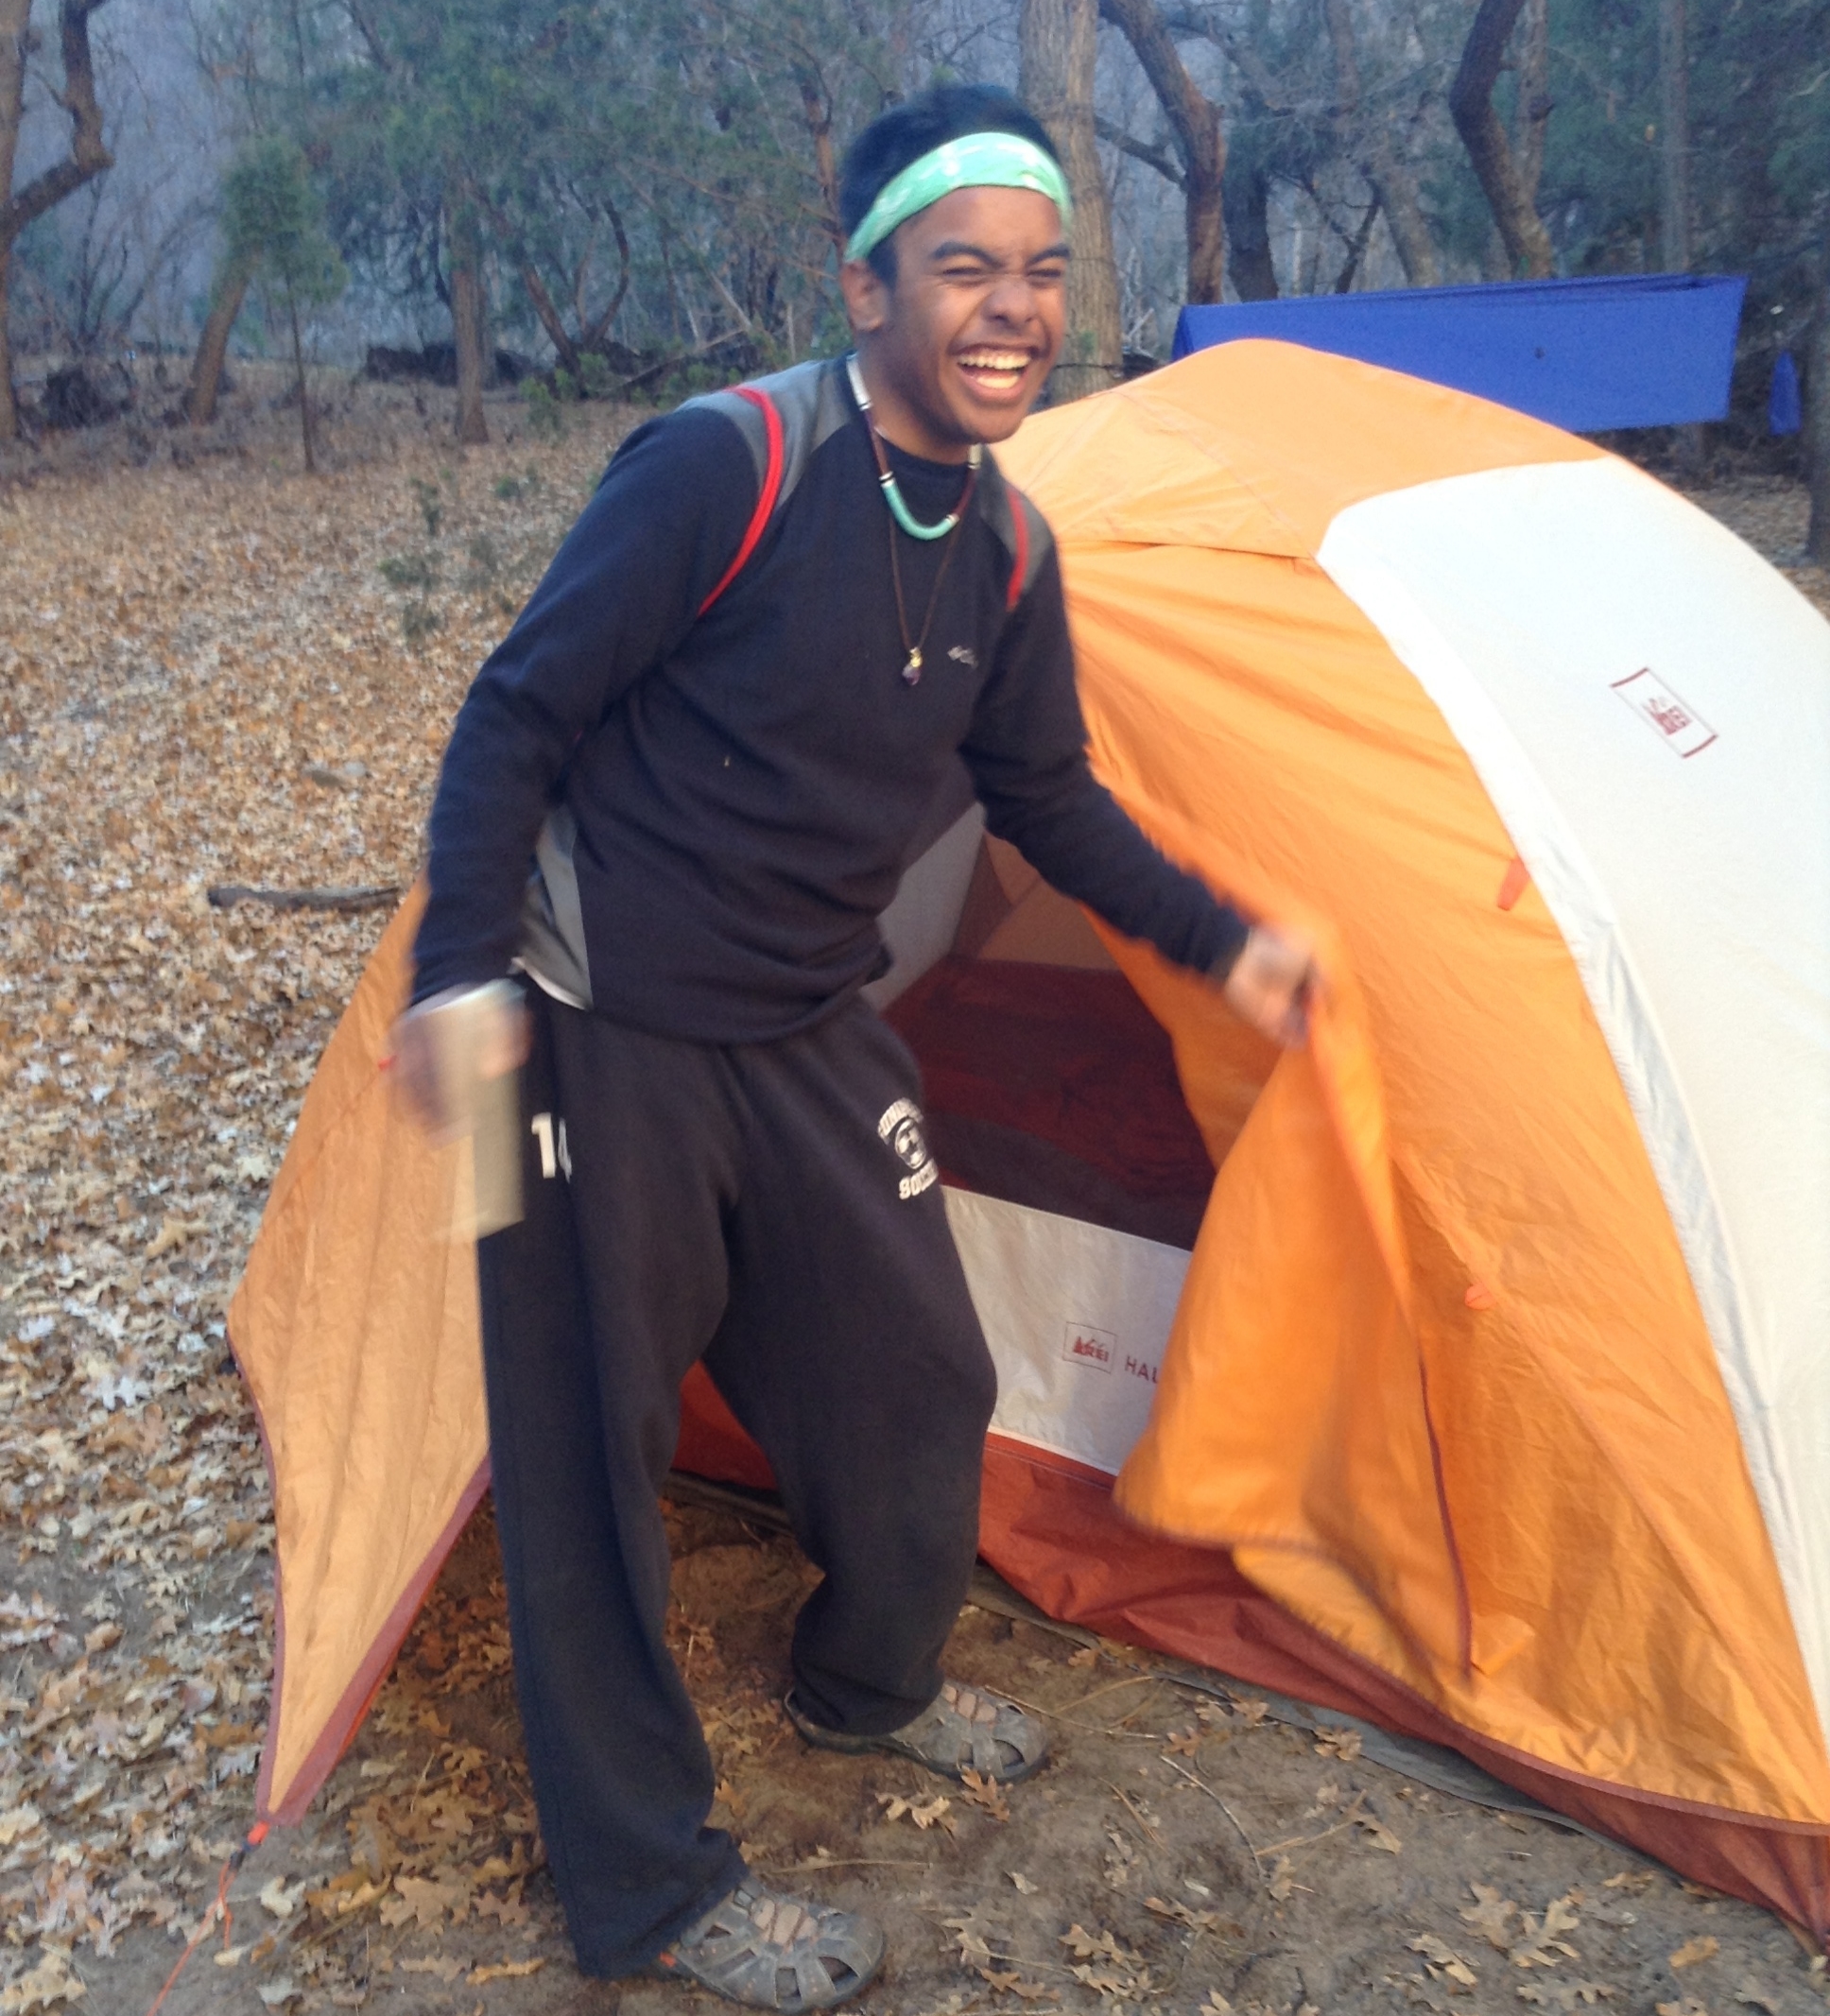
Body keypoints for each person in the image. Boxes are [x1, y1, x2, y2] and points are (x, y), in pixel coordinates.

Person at [390, 81, 1313, 2015]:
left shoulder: (1008, 552)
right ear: (868, 286)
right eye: (964, 267)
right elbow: (516, 714)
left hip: (809, 1017)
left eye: (1042, 271)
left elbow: (1045, 794)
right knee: (584, 1458)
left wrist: (1221, 940)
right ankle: (651, 1888)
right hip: (589, 1023)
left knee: (917, 1370)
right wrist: (455, 981)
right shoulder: (720, 466)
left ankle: (867, 1681)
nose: (1013, 308)